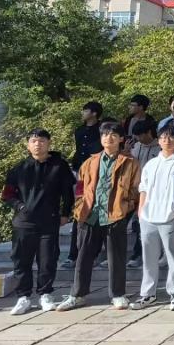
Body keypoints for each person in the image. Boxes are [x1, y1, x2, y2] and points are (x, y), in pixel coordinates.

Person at [56, 121, 141, 311]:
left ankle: (117, 294)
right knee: (83, 256)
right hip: (90, 214)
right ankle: (77, 295)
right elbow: (80, 187)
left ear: (121, 139)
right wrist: (79, 206)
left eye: (113, 135)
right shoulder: (90, 162)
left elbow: (136, 189)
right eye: (105, 135)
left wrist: (127, 207)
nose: (108, 138)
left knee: (116, 257)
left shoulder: (130, 163)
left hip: (115, 215)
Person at [2, 129, 76, 315]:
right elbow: (7, 195)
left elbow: (68, 192)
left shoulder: (59, 166)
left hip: (49, 221)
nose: (38, 144)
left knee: (47, 259)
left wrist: (65, 213)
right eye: (34, 141)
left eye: (42, 141)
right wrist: (20, 206)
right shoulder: (19, 168)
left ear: (49, 143)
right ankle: (23, 297)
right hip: (24, 222)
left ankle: (45, 294)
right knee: (21, 260)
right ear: (28, 145)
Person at [131, 123, 174, 311]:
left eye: (171, 137)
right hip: (149, 216)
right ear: (158, 140)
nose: (166, 140)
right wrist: (141, 210)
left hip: (171, 215)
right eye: (162, 137)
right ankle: (148, 293)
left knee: (173, 256)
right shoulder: (152, 163)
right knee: (149, 257)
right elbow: (143, 188)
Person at [63, 102, 102, 268]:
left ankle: (92, 254)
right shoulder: (79, 130)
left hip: (98, 174)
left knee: (94, 215)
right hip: (80, 172)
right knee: (80, 211)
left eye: (85, 110)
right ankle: (73, 255)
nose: (83, 113)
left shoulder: (102, 130)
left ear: (94, 113)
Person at [127, 120, 161, 268]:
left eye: (140, 135)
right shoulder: (136, 147)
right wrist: (127, 152)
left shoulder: (160, 148)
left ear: (149, 133)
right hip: (134, 192)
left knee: (143, 226)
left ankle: (138, 255)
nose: (138, 139)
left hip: (151, 193)